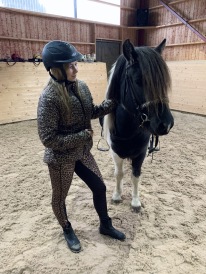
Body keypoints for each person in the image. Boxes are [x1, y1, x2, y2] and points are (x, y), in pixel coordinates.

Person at [37, 40, 126, 253]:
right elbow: (48, 139)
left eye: (76, 64)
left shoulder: (82, 87)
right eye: (70, 66)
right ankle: (67, 228)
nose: (76, 69)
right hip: (60, 159)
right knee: (59, 198)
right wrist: (81, 136)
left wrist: (113, 102)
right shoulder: (48, 98)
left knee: (100, 187)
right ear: (55, 69)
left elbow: (91, 111)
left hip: (82, 153)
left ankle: (105, 224)